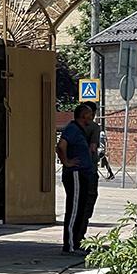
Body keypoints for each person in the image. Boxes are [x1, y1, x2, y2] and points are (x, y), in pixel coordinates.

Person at [56, 102, 96, 254]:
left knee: (80, 208)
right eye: (90, 114)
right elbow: (61, 146)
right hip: (76, 174)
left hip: (82, 173)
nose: (92, 116)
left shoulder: (79, 130)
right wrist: (66, 162)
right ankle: (70, 245)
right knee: (74, 208)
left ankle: (76, 242)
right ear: (83, 115)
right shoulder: (72, 129)